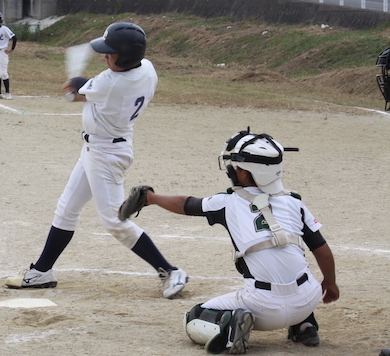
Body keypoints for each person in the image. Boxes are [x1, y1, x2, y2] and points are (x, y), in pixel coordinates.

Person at [4, 22, 188, 299]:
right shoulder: (146, 68)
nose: (105, 56)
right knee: (66, 208)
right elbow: (86, 91)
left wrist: (70, 89)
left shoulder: (111, 83)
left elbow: (77, 93)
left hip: (106, 155)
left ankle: (170, 271)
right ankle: (42, 271)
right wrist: (76, 89)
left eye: (110, 53)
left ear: (126, 57)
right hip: (98, 149)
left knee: (115, 221)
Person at [123, 130, 339, 354]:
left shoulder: (227, 202)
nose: (233, 170)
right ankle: (304, 325)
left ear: (246, 174)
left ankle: (232, 326)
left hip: (264, 309)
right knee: (295, 273)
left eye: (237, 167)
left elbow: (186, 204)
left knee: (195, 317)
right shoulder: (295, 203)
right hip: (308, 299)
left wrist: (151, 198)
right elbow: (323, 252)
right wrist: (330, 284)